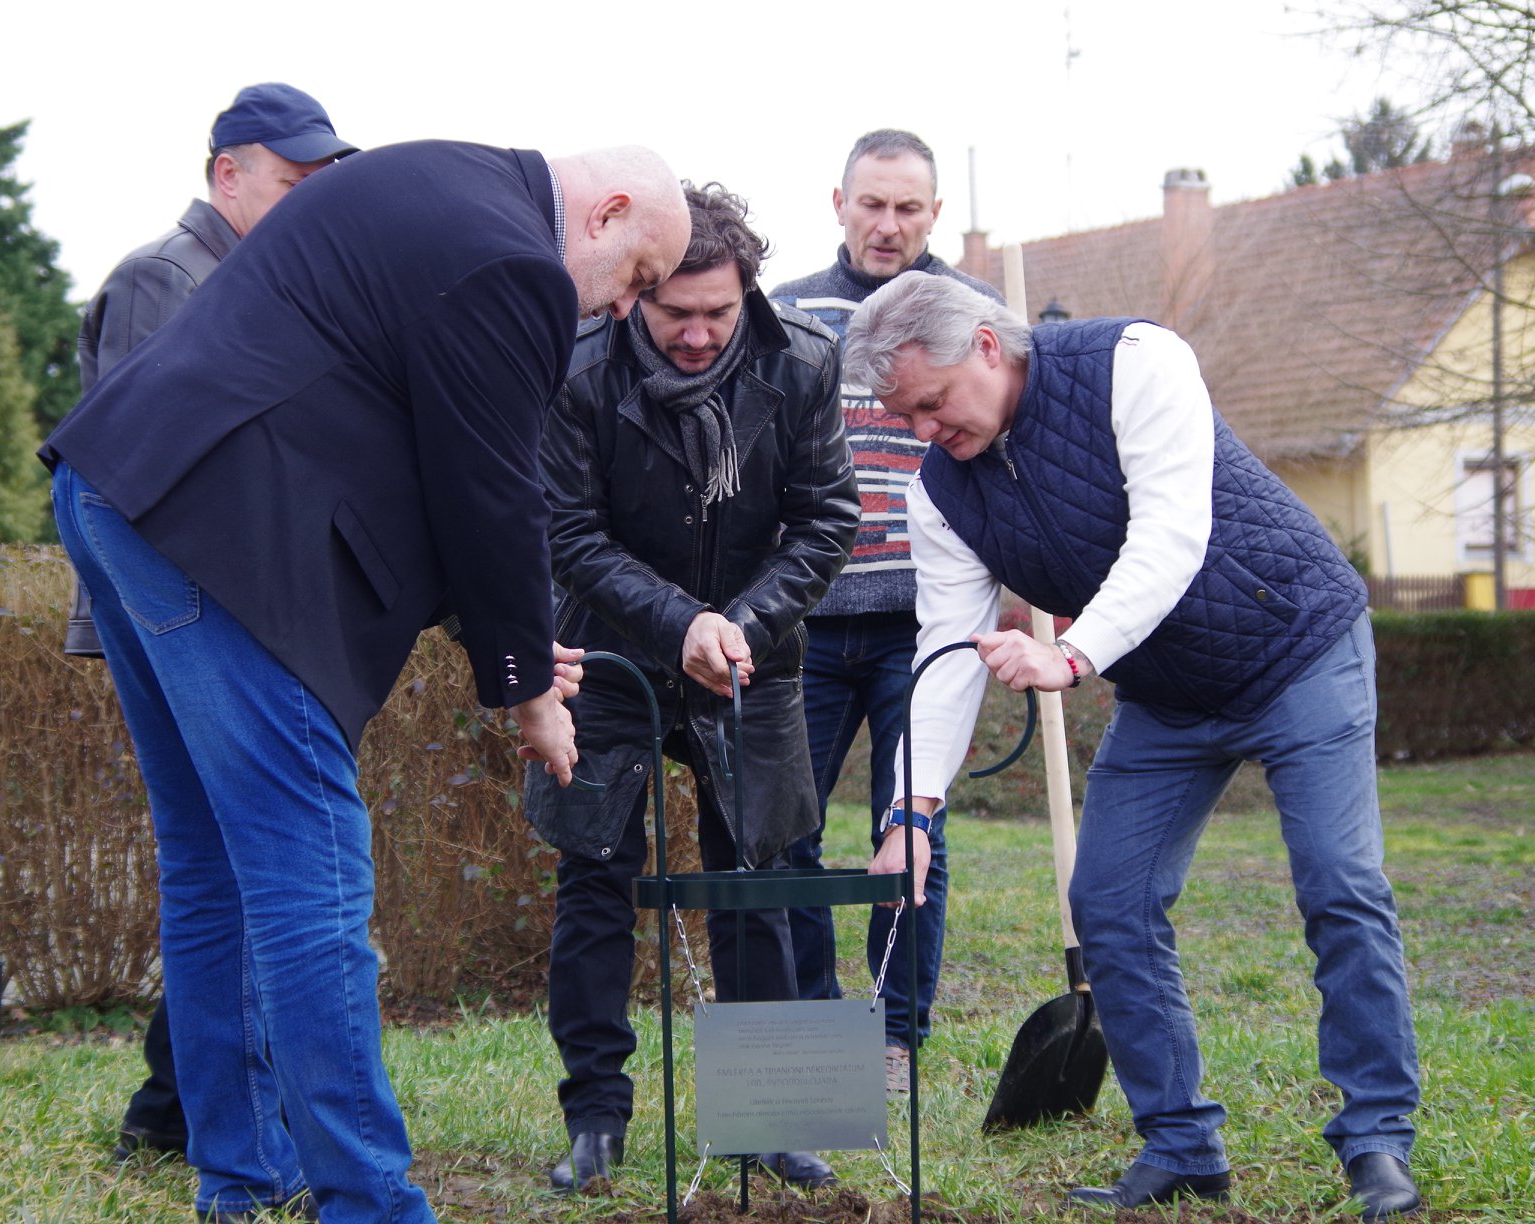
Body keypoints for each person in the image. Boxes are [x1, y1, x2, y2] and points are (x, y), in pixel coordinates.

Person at [41, 141, 690, 1224]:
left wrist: (513, 640)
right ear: (608, 212)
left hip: (124, 491)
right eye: (636, 278)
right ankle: (368, 1204)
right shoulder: (515, 264)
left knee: (211, 866)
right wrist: (529, 687)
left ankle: (245, 1180)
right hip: (222, 536)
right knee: (313, 879)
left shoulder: (438, 179)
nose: (624, 310)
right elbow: (491, 489)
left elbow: (409, 444)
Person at [838, 272, 1423, 1219]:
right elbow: (944, 656)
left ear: (985, 346)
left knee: (1339, 885)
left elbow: (1169, 538)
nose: (923, 432)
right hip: (1167, 697)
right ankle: (1182, 1144)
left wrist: (1070, 655)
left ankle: (1377, 1139)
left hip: (1298, 650)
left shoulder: (1135, 363)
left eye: (933, 404)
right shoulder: (940, 495)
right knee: (1107, 900)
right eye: (905, 416)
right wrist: (911, 812)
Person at [529, 182, 858, 1193]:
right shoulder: (578, 368)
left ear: (747, 290)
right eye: (678, 313)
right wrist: (681, 626)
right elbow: (569, 532)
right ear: (638, 294)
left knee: (761, 876)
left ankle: (776, 1118)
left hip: (753, 654)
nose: (700, 334)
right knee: (595, 879)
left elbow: (827, 519)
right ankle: (595, 1119)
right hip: (610, 655)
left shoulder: (803, 361)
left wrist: (742, 624)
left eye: (719, 312)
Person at [64, 80, 357, 1169]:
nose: (307, 201)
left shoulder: (265, 280)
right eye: (290, 180)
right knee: (227, 869)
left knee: (233, 867)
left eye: (321, 183)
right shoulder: (165, 276)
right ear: (226, 173)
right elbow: (143, 471)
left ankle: (191, 1117)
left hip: (225, 610)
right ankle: (188, 1116)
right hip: (185, 609)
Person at [768, 130, 1002, 1090]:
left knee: (909, 834)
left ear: (935, 213)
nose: (889, 224)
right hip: (807, 623)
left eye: (909, 207)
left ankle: (895, 1036)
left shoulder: (979, 320)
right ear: (840, 204)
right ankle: (821, 1026)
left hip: (927, 625)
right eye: (872, 203)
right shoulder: (785, 314)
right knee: (785, 830)